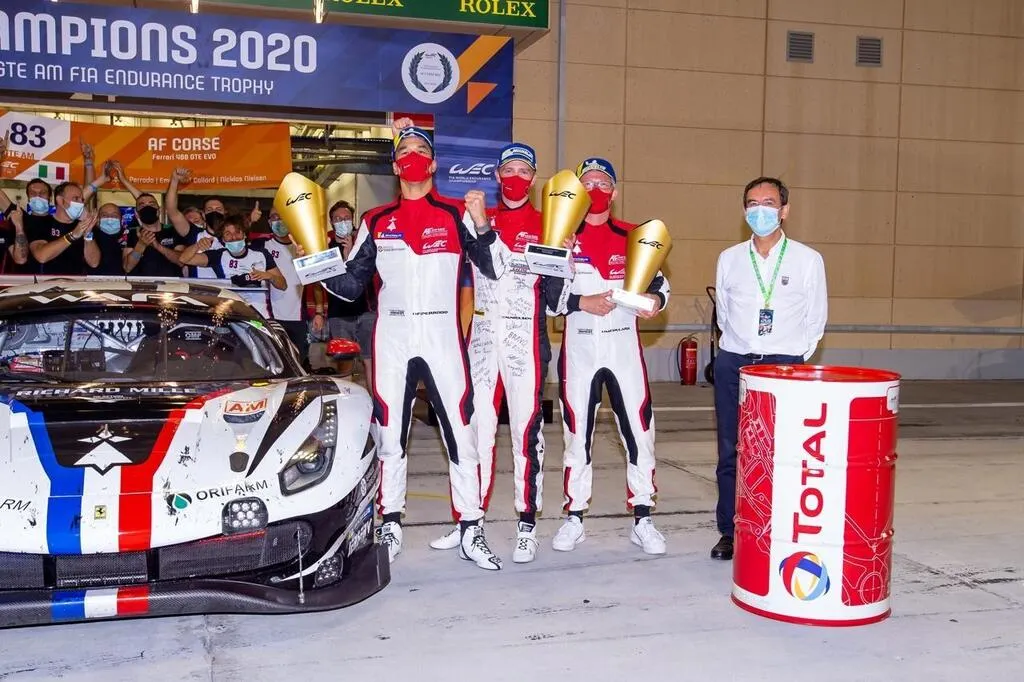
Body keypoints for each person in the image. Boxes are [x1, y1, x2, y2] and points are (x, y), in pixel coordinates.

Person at [310, 123, 507, 571]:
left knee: (462, 432)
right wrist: (313, 261)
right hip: (393, 337)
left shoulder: (456, 212)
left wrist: (482, 223)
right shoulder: (375, 220)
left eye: (421, 150)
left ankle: (470, 527)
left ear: (433, 165)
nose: (413, 157)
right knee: (389, 435)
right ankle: (391, 524)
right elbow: (350, 286)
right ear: (396, 166)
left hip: (442, 337)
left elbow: (493, 268)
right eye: (405, 152)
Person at [429, 142, 559, 564]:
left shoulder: (549, 223)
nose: (515, 177)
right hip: (483, 334)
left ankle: (527, 525)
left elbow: (555, 295)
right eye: (509, 169)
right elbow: (479, 265)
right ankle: (470, 519)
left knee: (526, 432)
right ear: (497, 176)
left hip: (526, 337)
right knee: (475, 432)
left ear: (533, 178)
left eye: (524, 170)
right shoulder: (475, 217)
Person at [548, 157, 669, 556]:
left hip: (623, 351)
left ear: (614, 192)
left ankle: (643, 517)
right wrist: (581, 301)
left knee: (639, 433)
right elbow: (549, 300)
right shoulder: (562, 235)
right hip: (579, 352)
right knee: (576, 435)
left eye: (603, 182)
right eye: (588, 183)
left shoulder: (635, 236)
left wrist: (655, 301)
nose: (596, 189)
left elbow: (660, 288)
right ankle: (574, 517)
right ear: (578, 192)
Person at [710, 176, 827, 561]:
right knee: (732, 451)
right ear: (744, 211)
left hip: (784, 366)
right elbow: (724, 315)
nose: (760, 210)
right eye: (753, 203)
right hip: (734, 364)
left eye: (769, 203)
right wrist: (743, 347)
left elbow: (815, 319)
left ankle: (778, 528)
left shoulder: (808, 260)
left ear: (784, 210)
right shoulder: (729, 258)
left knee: (783, 452)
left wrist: (790, 355)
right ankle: (730, 531)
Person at [317, 200, 375, 385]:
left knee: (370, 361)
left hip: (366, 311)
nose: (343, 222)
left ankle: (375, 400)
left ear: (353, 219)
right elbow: (320, 281)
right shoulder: (325, 245)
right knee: (344, 364)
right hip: (339, 314)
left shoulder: (364, 242)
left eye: (346, 218)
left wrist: (351, 252)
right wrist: (319, 312)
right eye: (338, 219)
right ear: (331, 223)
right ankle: (348, 398)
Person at [252, 206, 309, 365]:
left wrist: (318, 311)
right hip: (270, 316)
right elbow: (236, 242)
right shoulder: (261, 245)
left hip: (298, 316)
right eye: (274, 217)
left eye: (283, 216)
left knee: (298, 362)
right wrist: (250, 221)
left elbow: (317, 279)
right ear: (269, 222)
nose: (278, 220)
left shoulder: (303, 246)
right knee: (271, 363)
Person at [178, 213, 287, 292]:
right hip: (233, 312)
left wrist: (270, 276)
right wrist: (197, 245)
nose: (234, 237)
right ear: (223, 239)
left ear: (244, 234)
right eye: (228, 234)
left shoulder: (261, 253)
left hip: (261, 313)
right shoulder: (218, 255)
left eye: (237, 232)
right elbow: (183, 259)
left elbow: (283, 285)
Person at [26, 181, 99, 275]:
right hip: (45, 282)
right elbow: (41, 256)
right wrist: (72, 235)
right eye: (76, 199)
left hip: (75, 282)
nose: (80, 203)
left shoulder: (82, 225)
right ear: (60, 200)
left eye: (82, 200)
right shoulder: (39, 222)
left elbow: (94, 263)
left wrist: (88, 234)